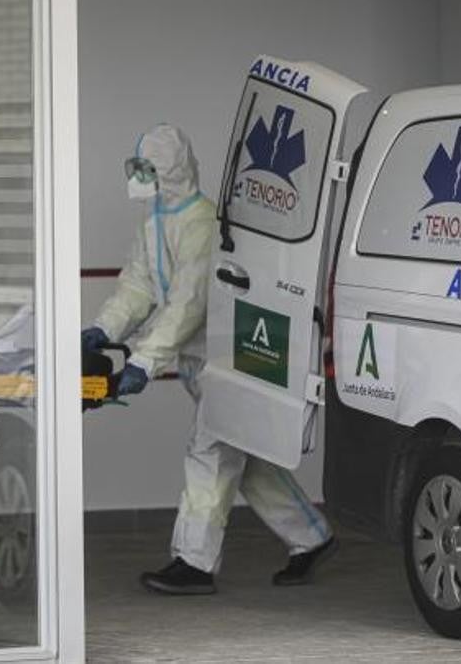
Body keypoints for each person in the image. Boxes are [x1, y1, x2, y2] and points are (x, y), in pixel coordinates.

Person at [82, 124, 336, 595]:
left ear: (169, 171)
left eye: (146, 169)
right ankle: (312, 537)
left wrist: (143, 361)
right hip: (204, 364)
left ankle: (194, 563)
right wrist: (103, 329)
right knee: (251, 461)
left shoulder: (201, 224)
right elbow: (138, 286)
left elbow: (188, 304)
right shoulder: (155, 221)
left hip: (231, 359)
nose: (137, 178)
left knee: (210, 455)